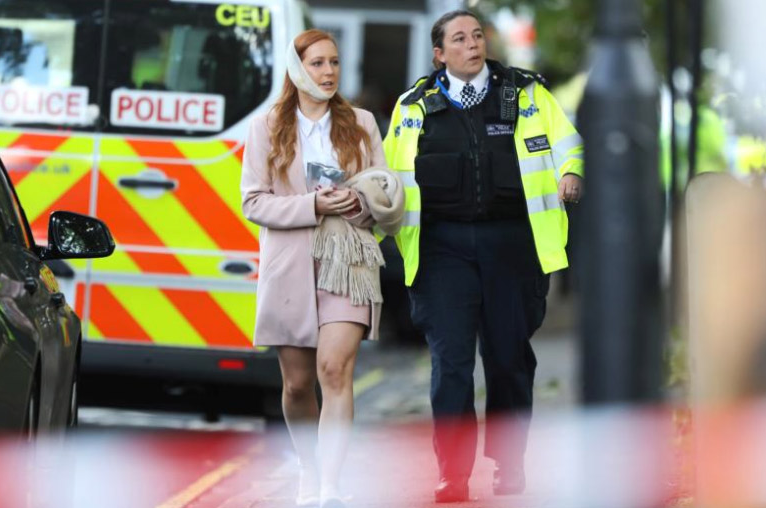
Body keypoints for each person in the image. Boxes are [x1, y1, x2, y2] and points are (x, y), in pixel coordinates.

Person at [383, 10, 584, 503]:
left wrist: (571, 173)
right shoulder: (412, 107)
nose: (472, 44)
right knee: (450, 364)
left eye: (477, 35)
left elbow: (568, 144)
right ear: (439, 53)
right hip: (441, 251)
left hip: (512, 245)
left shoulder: (527, 94)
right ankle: (452, 472)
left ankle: (509, 463)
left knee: (509, 359)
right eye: (459, 38)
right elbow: (386, 177)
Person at [240, 29, 394, 508]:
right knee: (298, 384)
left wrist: (361, 204)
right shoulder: (267, 126)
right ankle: (309, 467)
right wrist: (312, 204)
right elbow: (253, 202)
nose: (329, 73)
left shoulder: (362, 123)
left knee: (334, 369)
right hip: (290, 264)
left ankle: (329, 488)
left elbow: (389, 199)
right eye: (318, 64)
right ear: (296, 68)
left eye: (334, 63)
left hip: (349, 261)